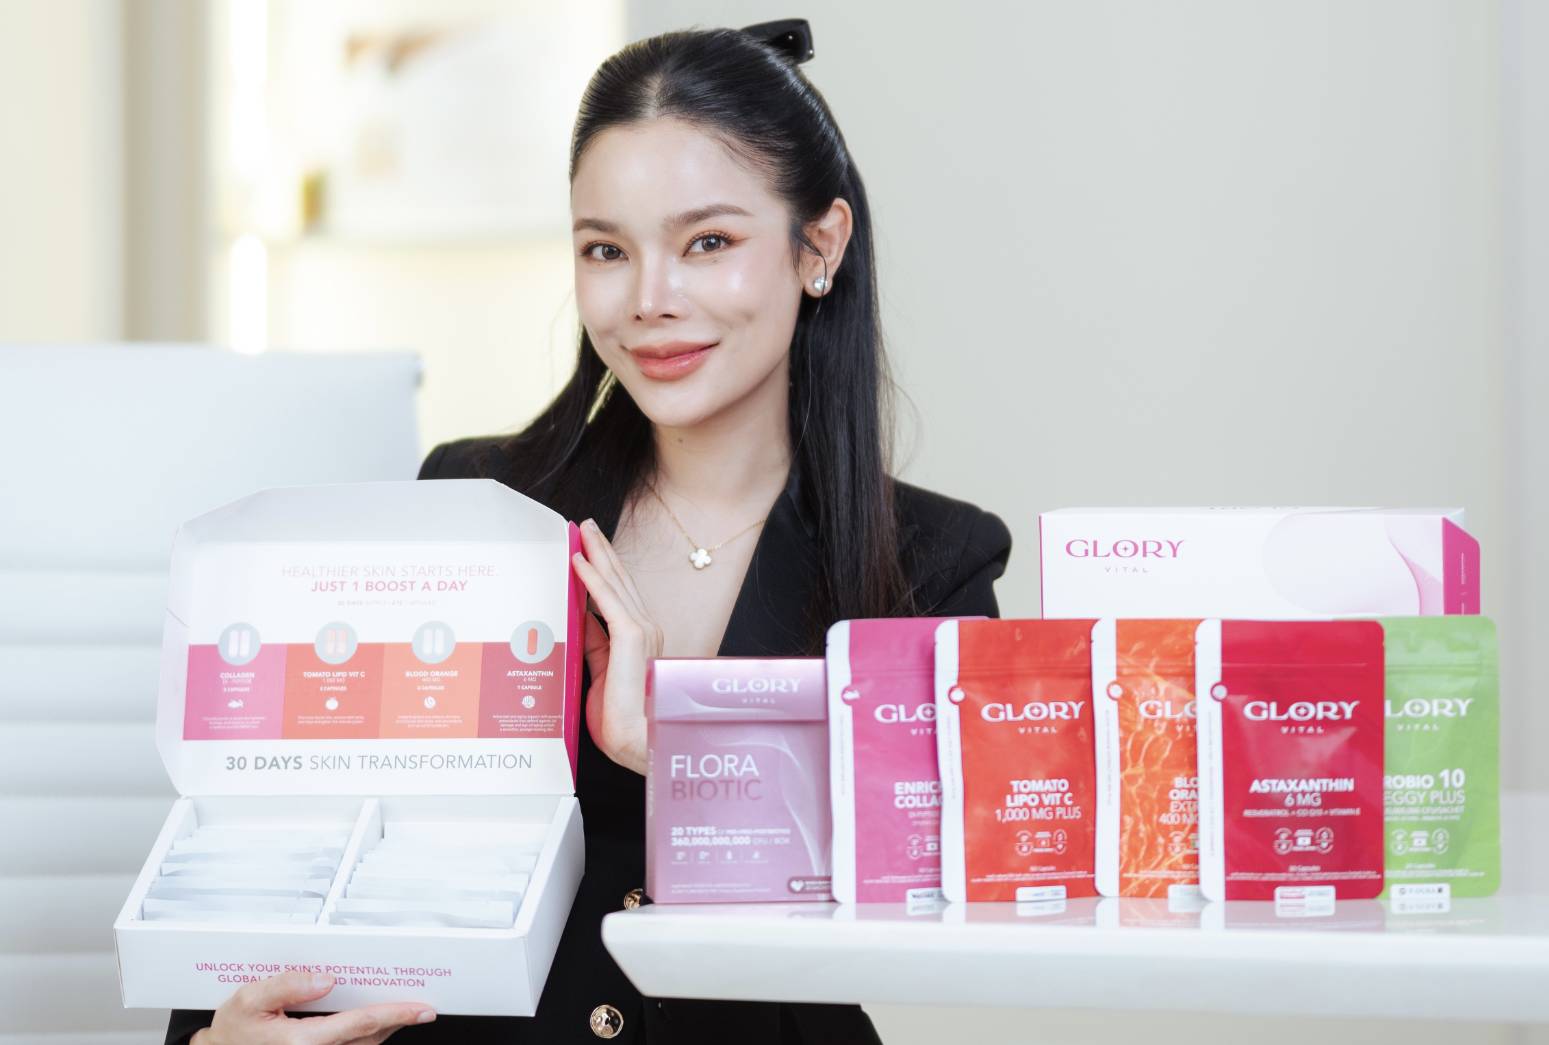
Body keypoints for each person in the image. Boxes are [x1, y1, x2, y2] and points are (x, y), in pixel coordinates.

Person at [168, 19, 1010, 1045]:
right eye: (606, 250)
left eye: (708, 243)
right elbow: (296, 826)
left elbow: (938, 901)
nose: (649, 300)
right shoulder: (477, 503)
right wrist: (214, 1035)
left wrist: (683, 759)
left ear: (818, 246)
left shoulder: (927, 568)